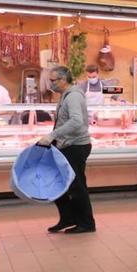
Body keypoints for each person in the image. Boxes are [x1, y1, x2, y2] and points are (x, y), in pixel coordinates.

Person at [36, 66, 96, 234]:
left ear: (63, 80)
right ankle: (67, 218)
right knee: (58, 183)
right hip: (65, 145)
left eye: (53, 80)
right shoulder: (65, 96)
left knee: (77, 187)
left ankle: (86, 223)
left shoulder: (74, 96)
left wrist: (52, 134)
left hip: (76, 146)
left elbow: (77, 121)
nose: (51, 84)